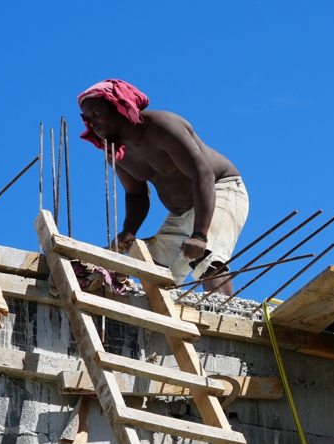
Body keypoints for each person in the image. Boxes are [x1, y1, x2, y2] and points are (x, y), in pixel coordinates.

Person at [78, 79, 247, 294]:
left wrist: (199, 235)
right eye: (87, 118)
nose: (92, 123)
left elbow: (202, 174)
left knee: (206, 258)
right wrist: (129, 231)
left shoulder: (162, 126)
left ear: (119, 106)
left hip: (219, 190)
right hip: (179, 214)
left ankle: (223, 311)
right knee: (155, 272)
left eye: (96, 113)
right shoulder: (116, 152)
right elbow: (136, 193)